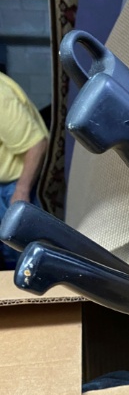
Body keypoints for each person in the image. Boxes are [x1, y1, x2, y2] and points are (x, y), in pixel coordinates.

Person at [0, 72, 48, 270]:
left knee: (23, 259)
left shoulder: (1, 96)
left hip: (15, 184)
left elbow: (37, 144)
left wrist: (21, 190)